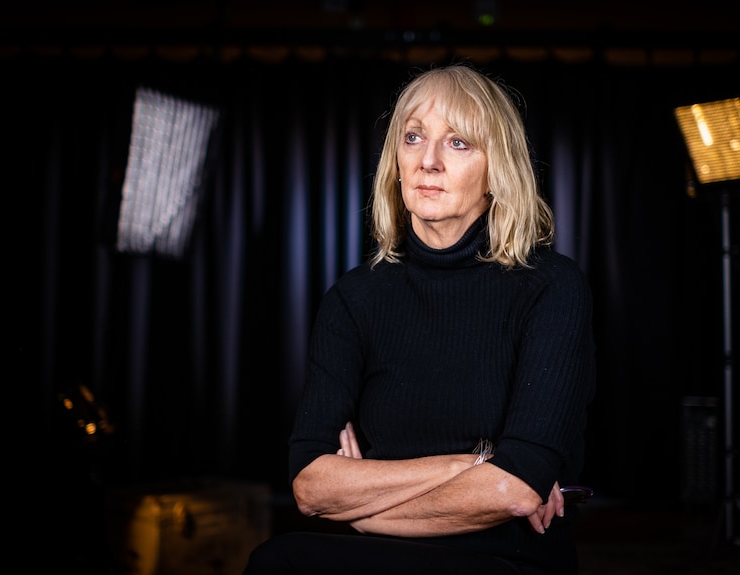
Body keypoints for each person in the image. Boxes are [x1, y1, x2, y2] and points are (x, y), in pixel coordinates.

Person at [243, 62, 596, 575]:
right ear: (395, 161)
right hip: (382, 557)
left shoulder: (550, 286)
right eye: (413, 137)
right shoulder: (354, 297)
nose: (428, 160)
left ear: (497, 168)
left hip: (509, 558)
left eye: (458, 143)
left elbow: (516, 491)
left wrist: (363, 508)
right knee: (278, 561)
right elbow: (311, 487)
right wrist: (472, 464)